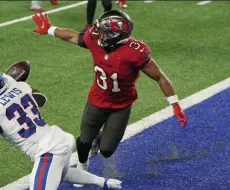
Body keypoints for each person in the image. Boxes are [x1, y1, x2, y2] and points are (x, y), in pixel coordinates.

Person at [32, 11, 188, 180]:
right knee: (84, 141)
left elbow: (159, 77)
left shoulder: (135, 51)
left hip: (121, 107)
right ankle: (82, 165)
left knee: (106, 150)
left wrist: (175, 104)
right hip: (96, 101)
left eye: (103, 32)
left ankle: (97, 137)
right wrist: (49, 29)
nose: (98, 34)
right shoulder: (95, 38)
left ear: (116, 35)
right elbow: (72, 36)